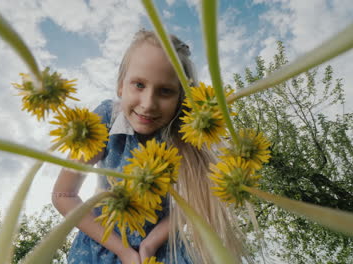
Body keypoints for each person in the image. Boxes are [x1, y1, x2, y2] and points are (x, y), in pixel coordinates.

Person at [52, 29, 249, 264]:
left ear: (181, 98)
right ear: (120, 86)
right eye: (139, 84)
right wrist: (124, 250)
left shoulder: (186, 133)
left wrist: (151, 242)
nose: (148, 104)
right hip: (101, 248)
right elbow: (63, 195)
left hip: (162, 252)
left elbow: (197, 202)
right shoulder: (105, 119)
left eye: (165, 91)